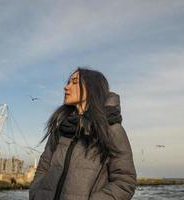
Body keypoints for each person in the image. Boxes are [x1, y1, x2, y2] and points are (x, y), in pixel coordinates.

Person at [29, 68, 136, 200]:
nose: (66, 87)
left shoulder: (111, 129)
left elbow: (124, 182)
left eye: (74, 82)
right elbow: (43, 168)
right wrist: (36, 194)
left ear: (92, 88)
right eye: (68, 83)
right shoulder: (60, 127)